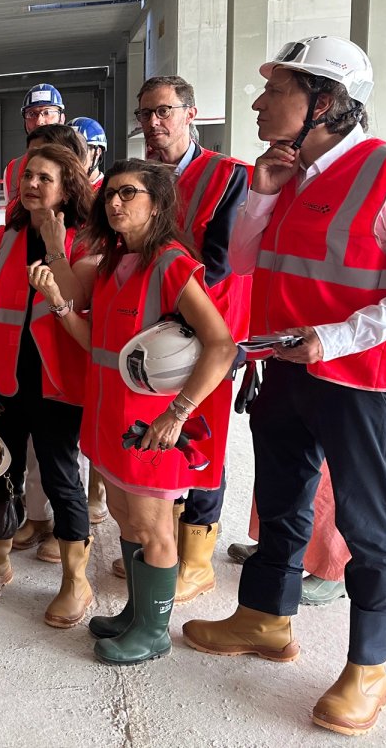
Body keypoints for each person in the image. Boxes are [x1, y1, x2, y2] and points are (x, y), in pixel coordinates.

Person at [183, 36, 386, 736]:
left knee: (367, 526)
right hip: (284, 367)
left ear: (326, 103)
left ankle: (368, 668)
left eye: (275, 91)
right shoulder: (290, 174)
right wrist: (261, 193)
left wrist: (332, 338)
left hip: (358, 380)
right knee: (281, 502)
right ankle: (265, 617)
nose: (257, 102)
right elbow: (246, 259)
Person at [31, 158, 235, 666]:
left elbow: (222, 346)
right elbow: (95, 343)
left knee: (152, 527)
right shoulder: (114, 261)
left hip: (148, 426)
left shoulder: (170, 263)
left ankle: (153, 630)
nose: (115, 203)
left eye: (129, 194)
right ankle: (135, 613)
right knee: (124, 518)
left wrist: (179, 413)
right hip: (109, 420)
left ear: (157, 204)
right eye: (111, 195)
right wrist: (59, 303)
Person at [0, 144, 96, 621]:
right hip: (5, 378)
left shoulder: (86, 240)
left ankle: (75, 580)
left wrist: (58, 249)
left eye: (45, 177)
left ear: (68, 187)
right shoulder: (2, 239)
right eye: (27, 176)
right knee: (0, 474)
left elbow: (80, 299)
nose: (31, 184)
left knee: (63, 479)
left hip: (57, 384)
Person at [137, 74, 250, 604]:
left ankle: (199, 560)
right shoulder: (144, 178)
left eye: (163, 112)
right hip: (156, 330)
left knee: (205, 441)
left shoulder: (230, 177)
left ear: (191, 114)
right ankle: (168, 546)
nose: (152, 124)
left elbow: (226, 262)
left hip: (212, 333)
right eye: (144, 115)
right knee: (163, 436)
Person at [2, 83, 67, 203]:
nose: (39, 121)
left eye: (47, 112)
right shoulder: (13, 169)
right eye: (31, 114)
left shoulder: (76, 164)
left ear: (62, 118)